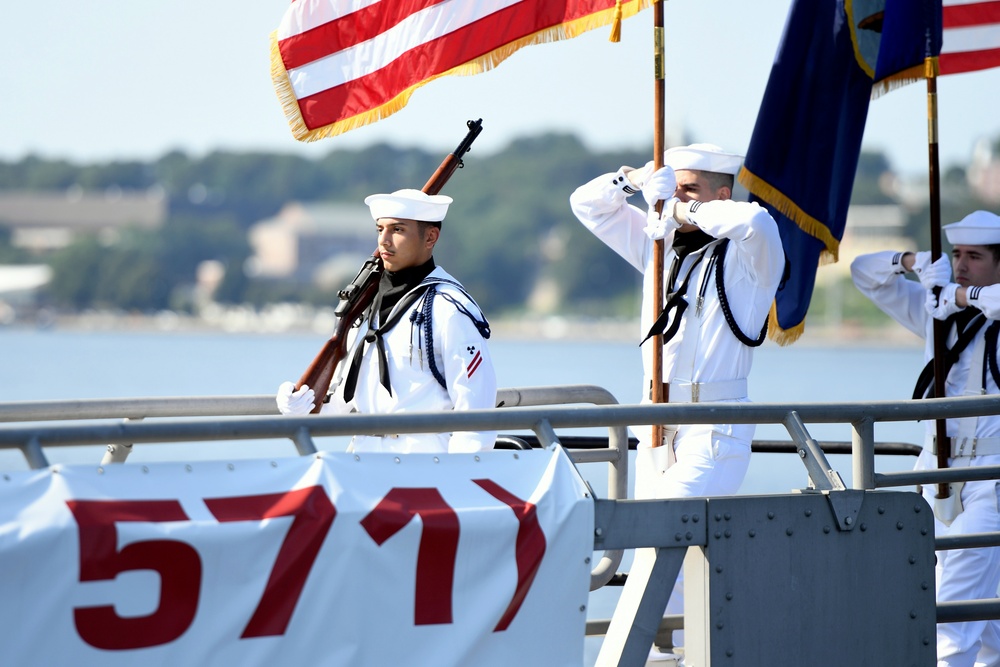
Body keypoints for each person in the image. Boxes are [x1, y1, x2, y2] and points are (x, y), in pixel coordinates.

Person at [570, 143, 784, 660]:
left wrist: (680, 208)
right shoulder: (656, 244)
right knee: (681, 567)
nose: (674, 198)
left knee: (656, 541)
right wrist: (635, 179)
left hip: (715, 426)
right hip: (655, 426)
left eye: (690, 188)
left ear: (721, 194)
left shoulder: (749, 258)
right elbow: (586, 204)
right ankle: (679, 657)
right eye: (674, 187)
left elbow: (758, 223)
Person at [851, 210, 1000, 667]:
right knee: (952, 594)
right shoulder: (934, 310)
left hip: (991, 479)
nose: (961, 264)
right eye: (957, 255)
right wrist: (912, 262)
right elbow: (864, 273)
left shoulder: (955, 301)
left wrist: (958, 294)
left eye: (974, 257)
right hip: (934, 471)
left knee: (952, 602)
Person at [275, 188, 498, 454]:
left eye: (398, 230)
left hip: (426, 468)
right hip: (363, 461)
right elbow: (341, 402)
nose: (384, 241)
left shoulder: (448, 308)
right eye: (380, 229)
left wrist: (455, 481)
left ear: (431, 237)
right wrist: (300, 401)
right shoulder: (364, 306)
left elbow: (476, 419)